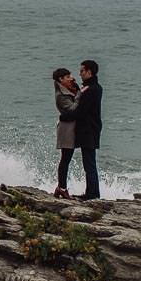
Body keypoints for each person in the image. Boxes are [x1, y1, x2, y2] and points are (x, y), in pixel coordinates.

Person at [71, 59, 103, 200]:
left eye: (82, 71)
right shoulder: (93, 87)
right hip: (91, 129)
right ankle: (91, 192)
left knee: (89, 163)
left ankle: (92, 194)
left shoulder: (92, 89)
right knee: (89, 162)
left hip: (89, 130)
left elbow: (81, 110)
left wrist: (66, 117)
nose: (80, 73)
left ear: (89, 72)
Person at [52, 67, 79, 198]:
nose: (71, 78)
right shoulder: (61, 95)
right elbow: (72, 110)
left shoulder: (68, 90)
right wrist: (80, 95)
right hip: (66, 129)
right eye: (67, 77)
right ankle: (62, 187)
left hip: (70, 128)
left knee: (66, 158)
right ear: (60, 79)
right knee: (65, 159)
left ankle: (61, 187)